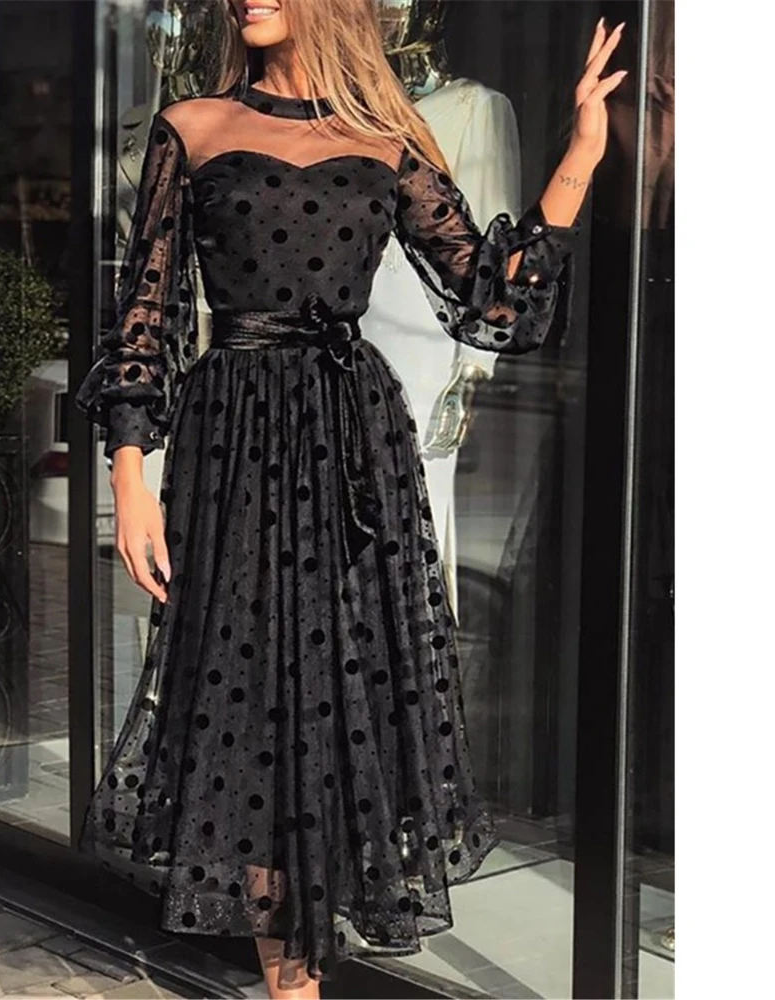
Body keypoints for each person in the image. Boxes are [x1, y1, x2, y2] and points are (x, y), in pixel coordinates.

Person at [75, 2, 624, 997]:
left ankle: (301, 971)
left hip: (352, 447)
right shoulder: (191, 128)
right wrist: (130, 479)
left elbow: (491, 299)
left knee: (340, 699)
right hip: (231, 442)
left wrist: (581, 152)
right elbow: (144, 318)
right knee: (246, 706)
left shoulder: (386, 138)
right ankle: (293, 980)